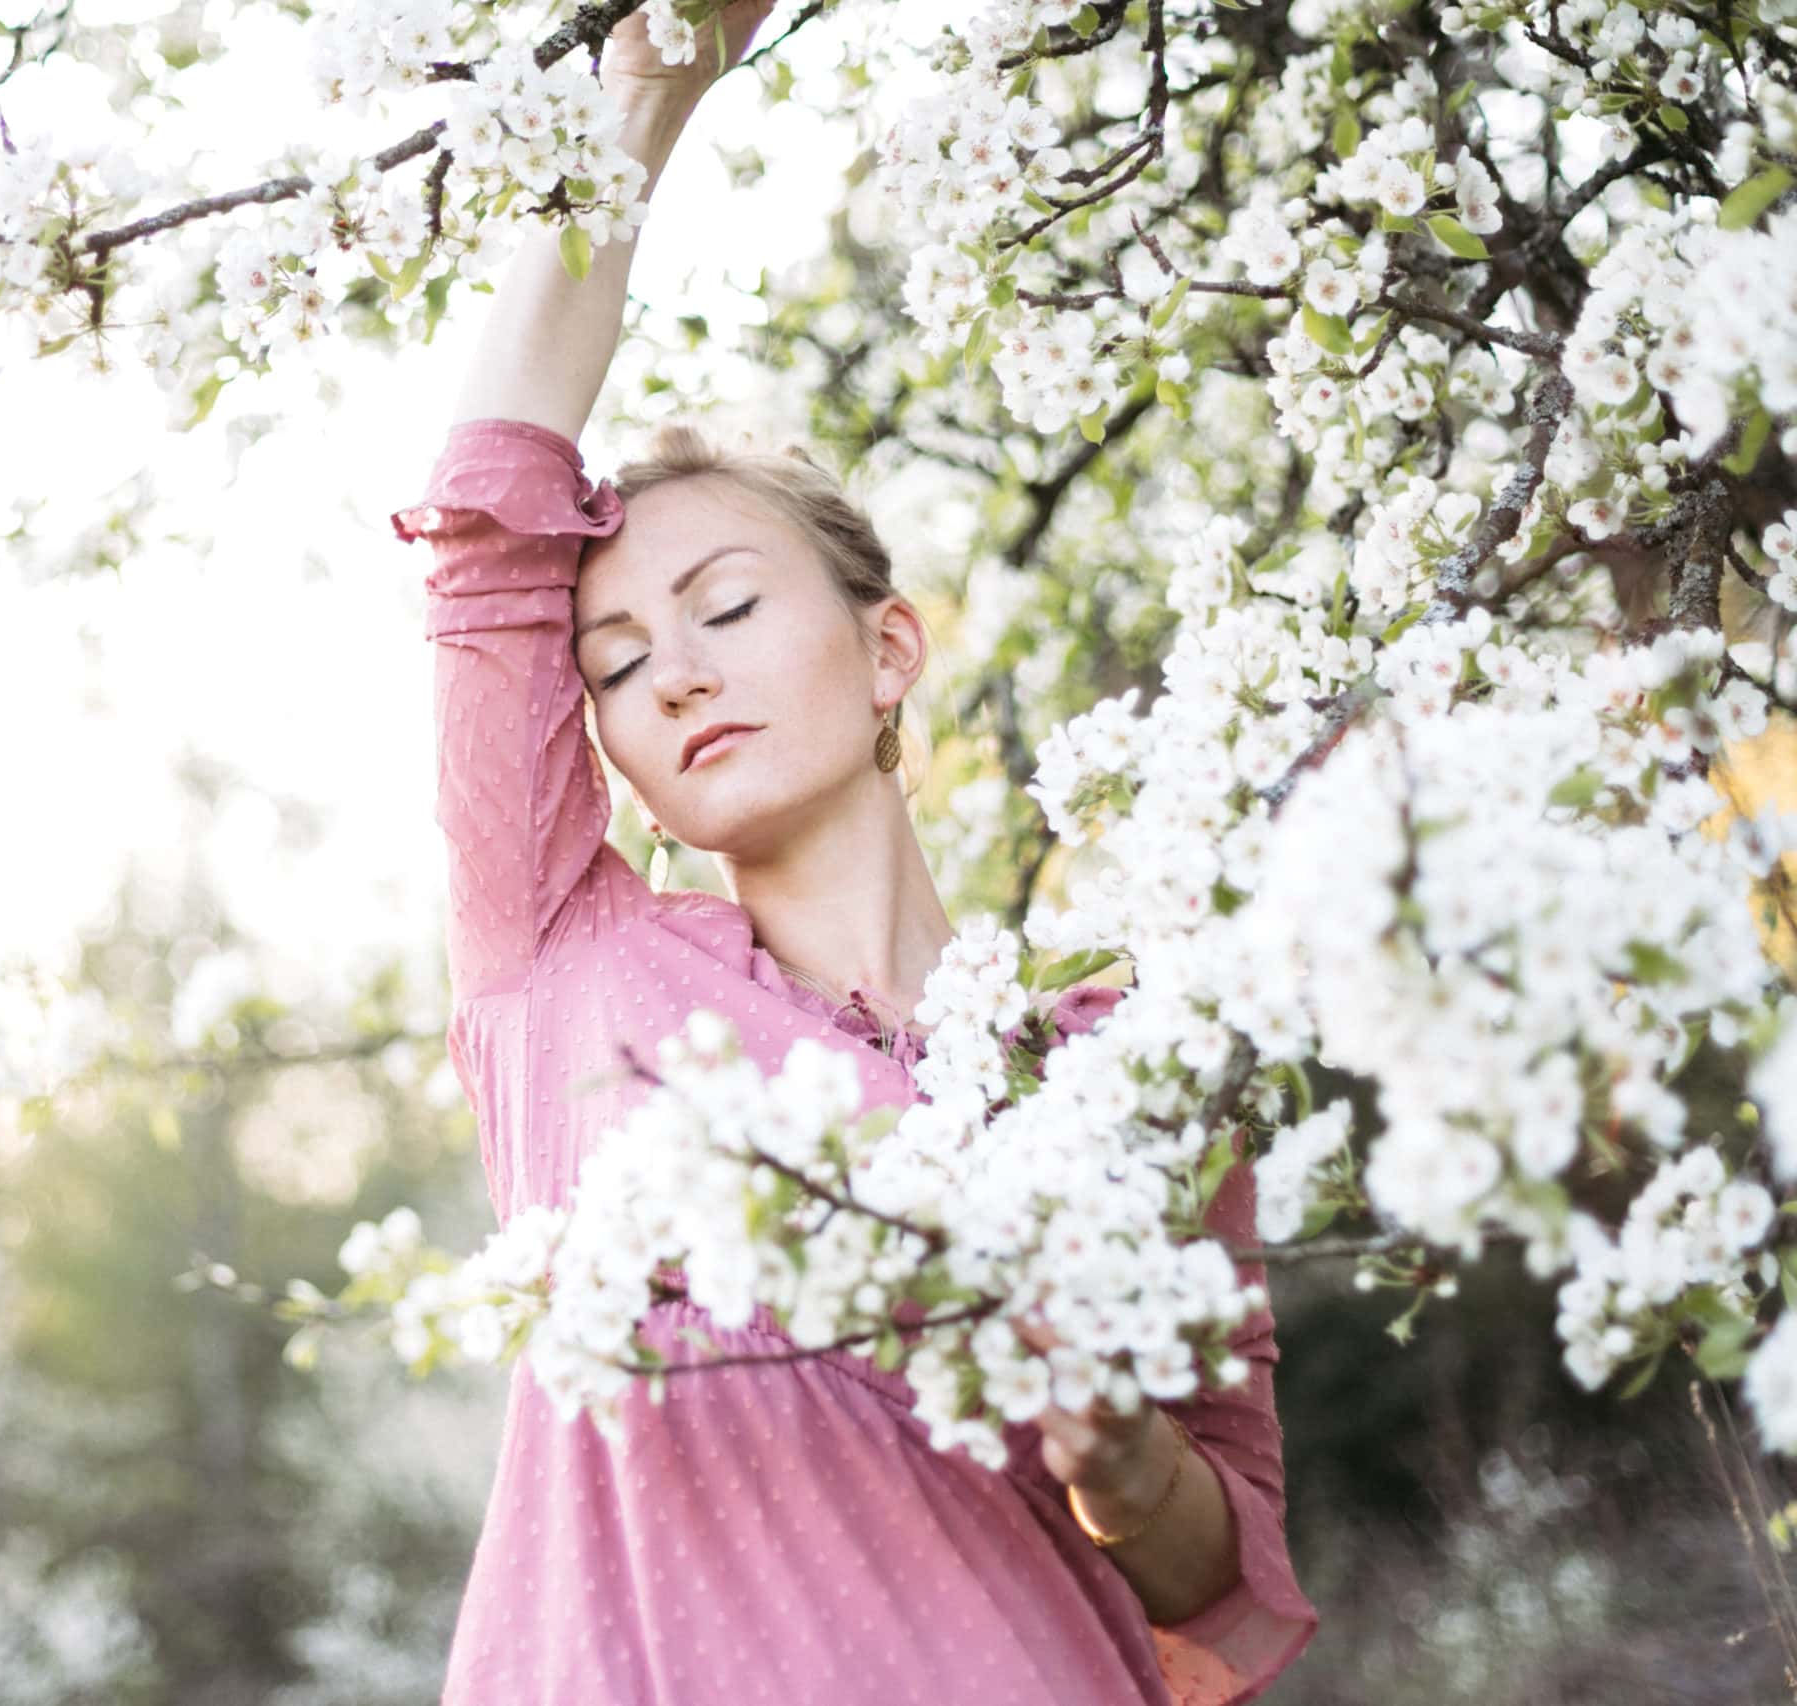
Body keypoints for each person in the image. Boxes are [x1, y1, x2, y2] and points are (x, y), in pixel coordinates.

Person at [387, 3, 1319, 1699]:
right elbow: (487, 516)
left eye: (729, 605)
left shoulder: (1123, 1068)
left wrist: (1123, 1463)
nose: (672, 665)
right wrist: (655, 81)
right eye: (611, 664)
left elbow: (1221, 1552)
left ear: (890, 651)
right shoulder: (569, 975)